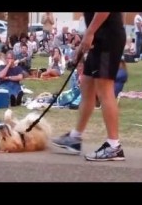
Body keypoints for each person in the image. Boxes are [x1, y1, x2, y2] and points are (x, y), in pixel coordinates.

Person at [52, 12, 126, 161]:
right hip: (98, 40)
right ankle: (75, 137)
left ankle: (113, 146)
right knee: (86, 83)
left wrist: (90, 33)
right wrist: (83, 43)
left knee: (105, 89)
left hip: (107, 39)